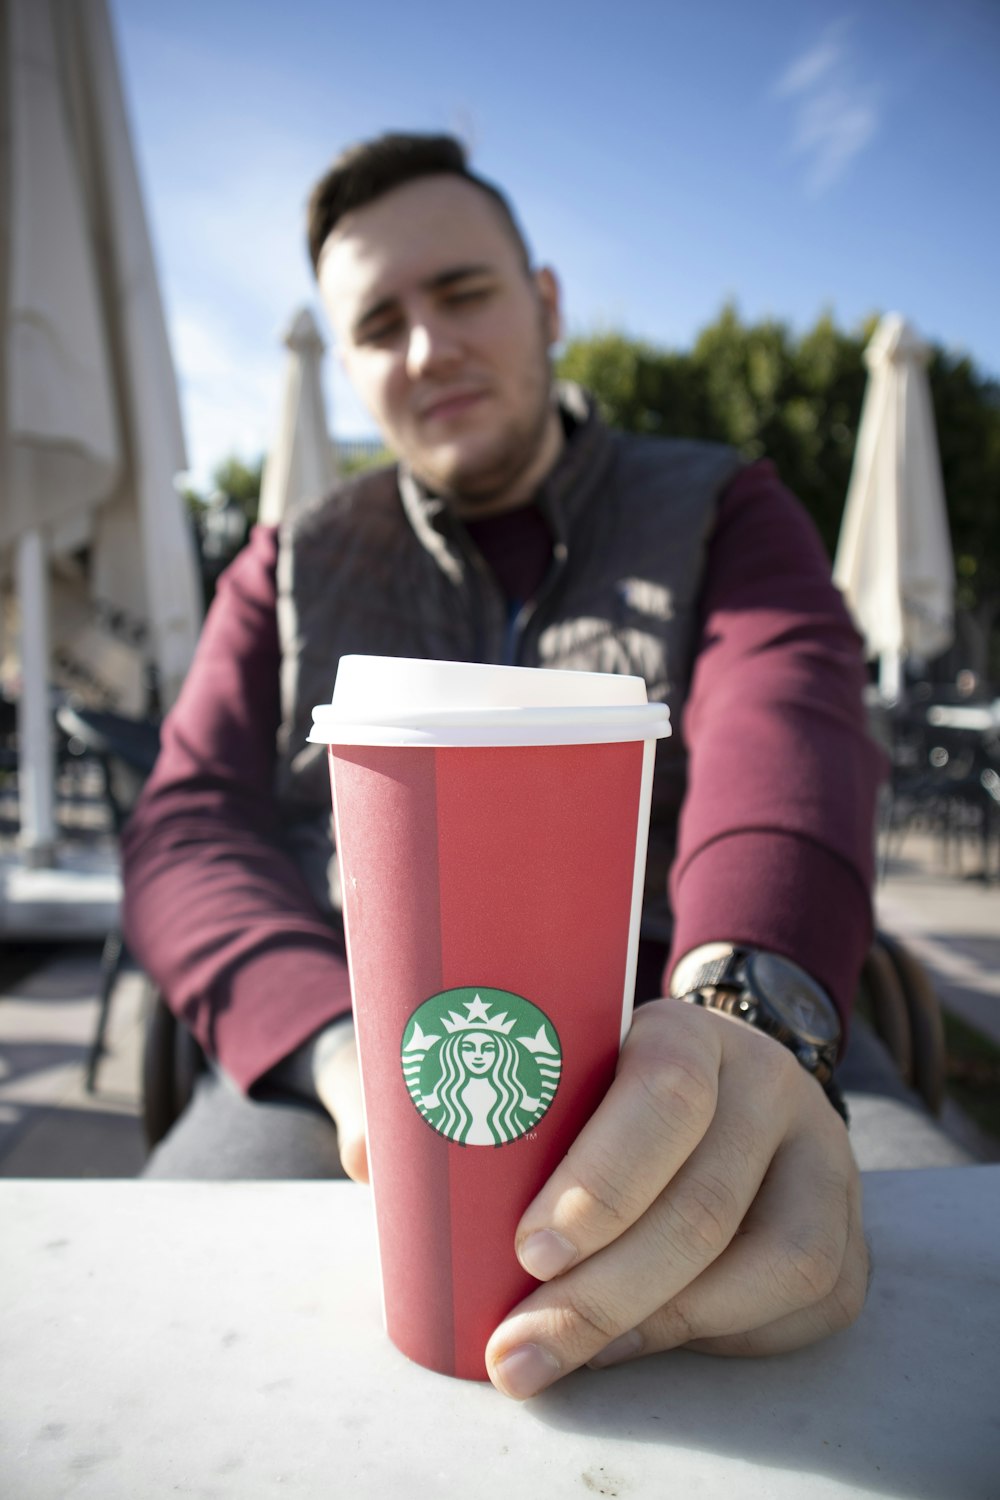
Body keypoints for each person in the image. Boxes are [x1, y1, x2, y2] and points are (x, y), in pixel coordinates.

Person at [121, 132, 956, 1403]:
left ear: (546, 301)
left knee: (930, 1313)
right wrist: (331, 1043)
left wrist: (741, 1014)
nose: (426, 349)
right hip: (347, 1064)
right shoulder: (287, 564)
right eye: (379, 323)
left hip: (712, 1031)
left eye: (462, 294)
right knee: (168, 1356)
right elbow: (188, 827)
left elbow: (789, 724)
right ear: (346, 363)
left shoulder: (721, 507)